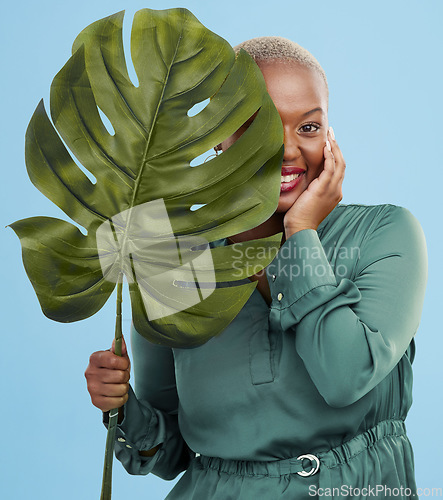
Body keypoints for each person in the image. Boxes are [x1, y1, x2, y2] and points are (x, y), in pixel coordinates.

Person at [85, 36, 428, 499]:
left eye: (308, 127)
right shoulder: (171, 264)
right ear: (218, 138)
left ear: (329, 135)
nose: (288, 150)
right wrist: (121, 407)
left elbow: (345, 376)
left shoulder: (384, 234)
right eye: (259, 125)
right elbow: (170, 454)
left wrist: (300, 231)